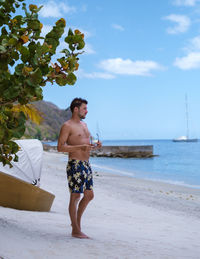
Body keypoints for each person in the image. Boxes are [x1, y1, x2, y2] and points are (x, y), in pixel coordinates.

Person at [57, 98, 102, 239]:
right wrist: (79, 147)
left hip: (86, 164)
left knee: (89, 195)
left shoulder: (85, 125)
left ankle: (76, 224)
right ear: (76, 109)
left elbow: (85, 144)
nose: (86, 111)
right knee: (75, 196)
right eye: (84, 108)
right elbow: (60, 147)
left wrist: (95, 147)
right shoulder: (67, 126)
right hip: (75, 164)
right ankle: (76, 229)